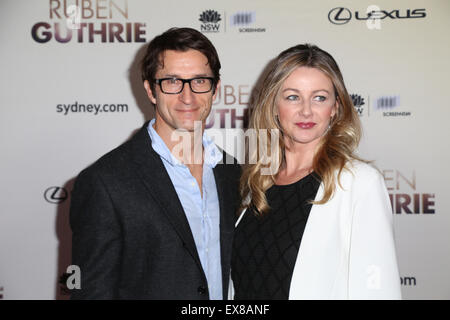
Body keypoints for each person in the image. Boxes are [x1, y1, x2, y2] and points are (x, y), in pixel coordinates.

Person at [70, 27, 241, 299]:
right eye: (172, 81)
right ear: (151, 90)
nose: (188, 96)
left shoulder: (234, 172)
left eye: (199, 81)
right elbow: (91, 291)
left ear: (215, 88)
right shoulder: (105, 182)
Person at [230, 44, 401, 299]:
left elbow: (378, 291)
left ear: (335, 107)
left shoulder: (359, 183)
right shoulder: (256, 182)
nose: (306, 110)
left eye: (319, 97)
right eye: (292, 97)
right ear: (274, 106)